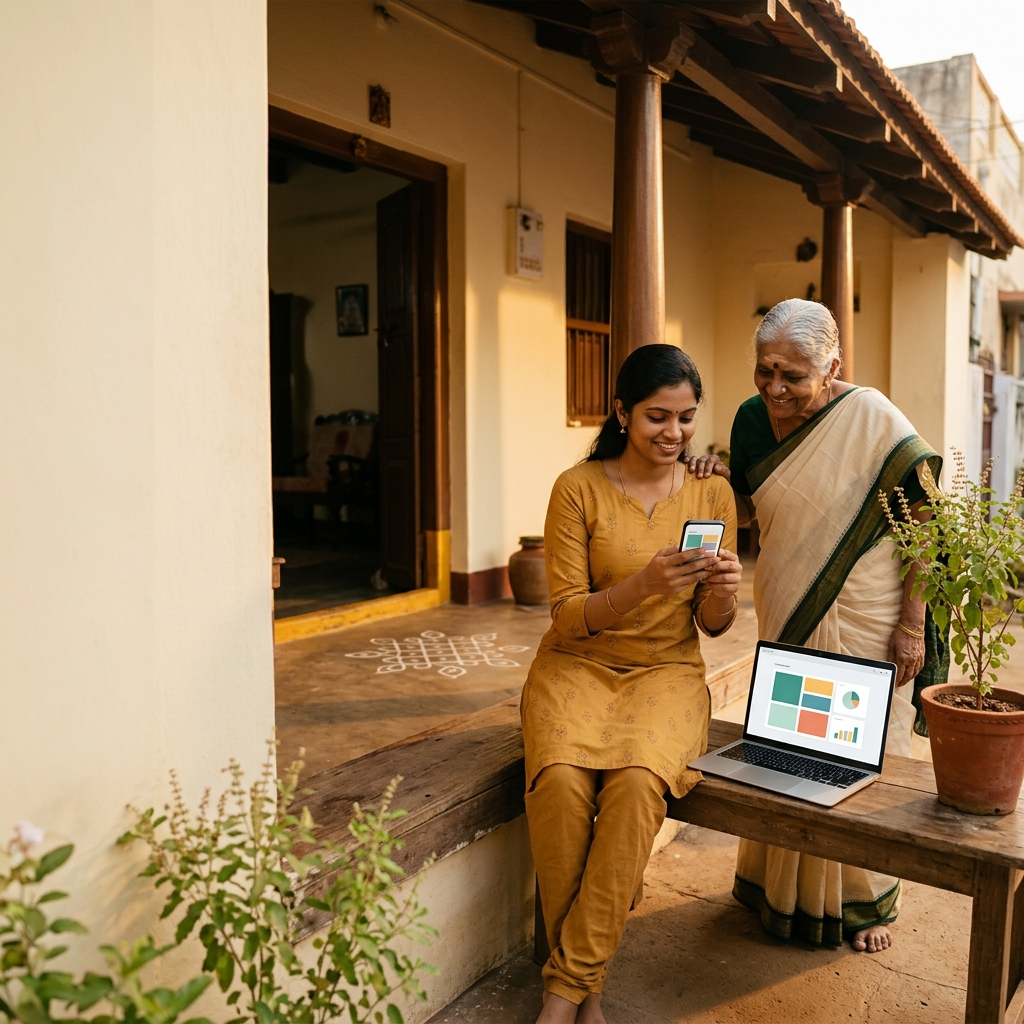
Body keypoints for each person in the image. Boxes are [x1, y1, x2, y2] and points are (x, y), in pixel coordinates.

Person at [685, 298, 941, 954]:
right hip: (787, 599)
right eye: (764, 371)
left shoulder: (874, 420)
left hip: (866, 611)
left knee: (858, 743)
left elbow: (925, 525)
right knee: (787, 741)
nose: (774, 388)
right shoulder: (749, 421)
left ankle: (866, 901)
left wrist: (913, 625)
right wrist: (717, 484)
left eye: (793, 377)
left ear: (832, 367)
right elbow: (751, 508)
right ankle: (777, 890)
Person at [523, 344, 743, 1024]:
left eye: (685, 418)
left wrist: (725, 593)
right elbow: (565, 614)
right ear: (621, 412)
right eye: (656, 417)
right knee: (558, 784)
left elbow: (712, 625)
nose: (673, 434)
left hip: (665, 673)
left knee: (636, 784)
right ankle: (587, 993)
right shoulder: (577, 486)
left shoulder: (712, 491)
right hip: (575, 665)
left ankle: (561, 998)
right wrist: (643, 584)